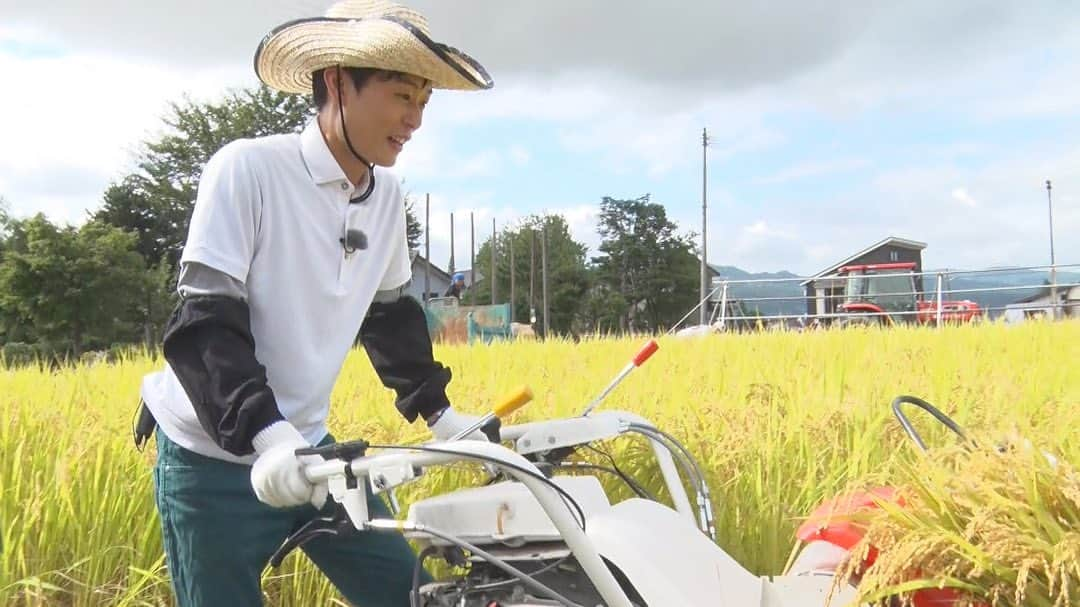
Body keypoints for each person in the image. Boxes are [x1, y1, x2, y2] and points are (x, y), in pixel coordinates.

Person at [135, 2, 495, 605]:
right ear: (336, 82)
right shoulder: (247, 170)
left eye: (424, 102)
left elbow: (389, 320)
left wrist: (442, 417)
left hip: (313, 455)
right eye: (401, 95)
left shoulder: (386, 198)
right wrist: (268, 436)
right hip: (210, 459)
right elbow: (204, 326)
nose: (414, 120)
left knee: (409, 595)